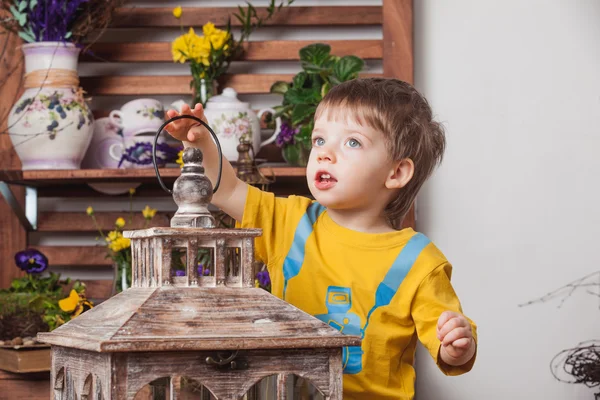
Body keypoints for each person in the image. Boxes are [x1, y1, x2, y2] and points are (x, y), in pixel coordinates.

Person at [165, 77, 477, 400]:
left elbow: (448, 341)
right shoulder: (289, 222)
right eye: (319, 140)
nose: (325, 154)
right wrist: (199, 144)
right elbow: (227, 189)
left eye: (352, 142)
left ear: (396, 173)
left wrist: (456, 346)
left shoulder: (419, 262)